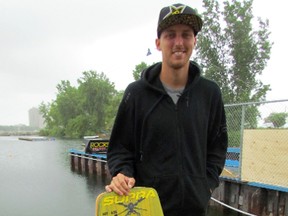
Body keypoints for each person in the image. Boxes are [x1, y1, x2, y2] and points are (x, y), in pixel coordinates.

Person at [105, 3, 228, 215]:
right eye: (170, 35)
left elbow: (217, 147)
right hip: (146, 209)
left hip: (194, 209)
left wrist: (205, 186)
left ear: (194, 41)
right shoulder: (136, 94)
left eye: (186, 34)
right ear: (158, 43)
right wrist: (122, 173)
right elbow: (120, 149)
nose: (178, 42)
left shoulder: (210, 94)